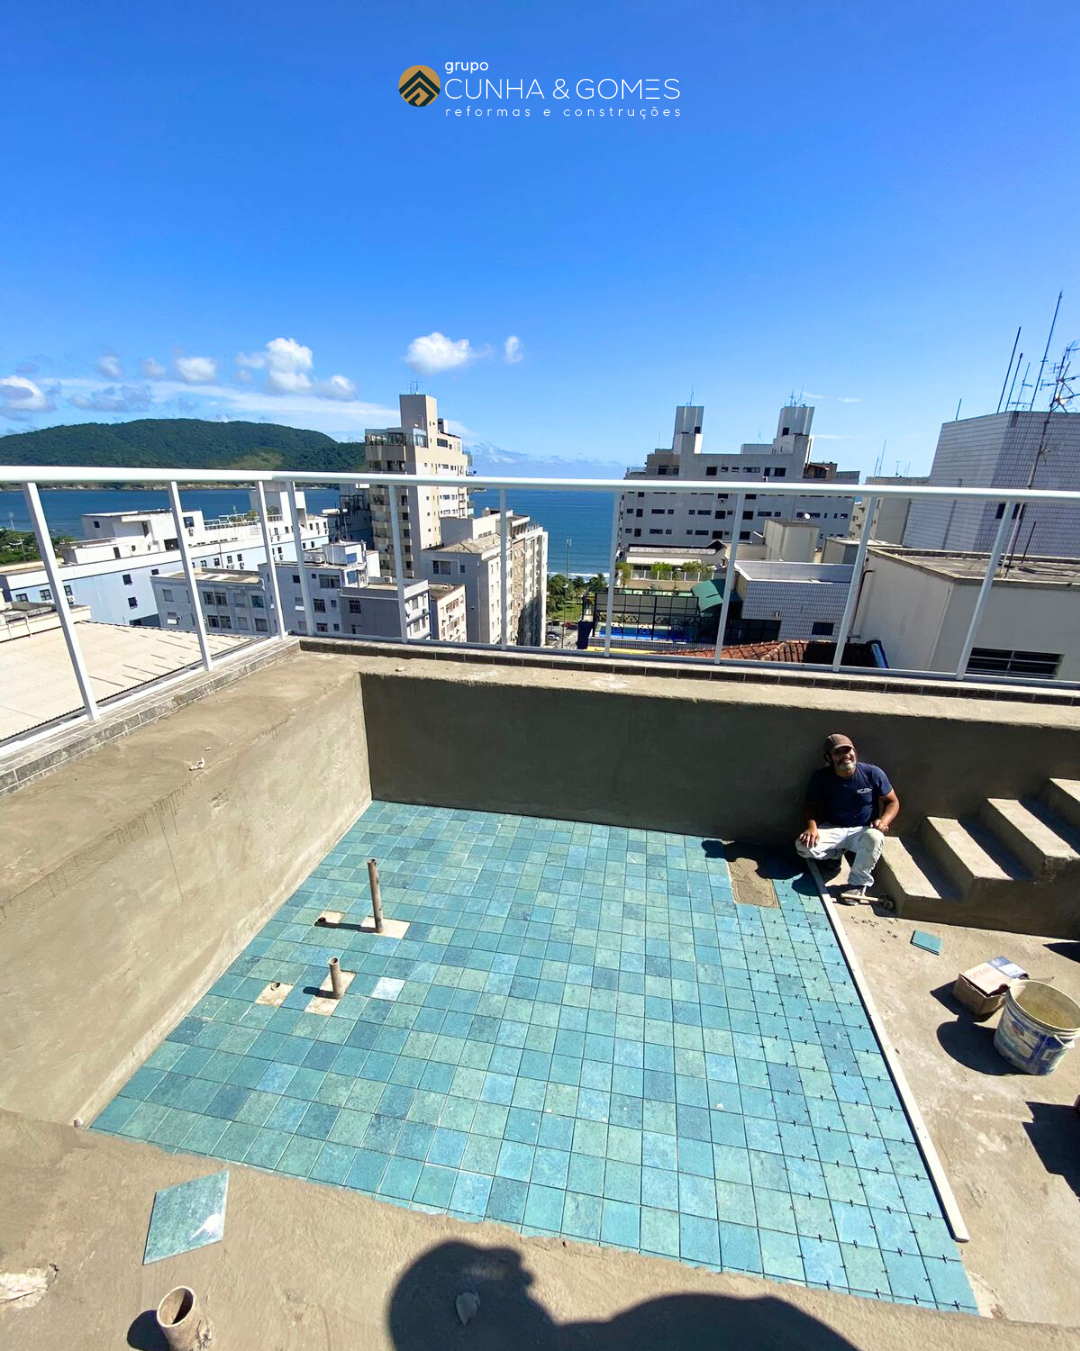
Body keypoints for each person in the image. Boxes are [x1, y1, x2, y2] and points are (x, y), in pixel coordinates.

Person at [795, 732, 899, 902]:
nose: (845, 756)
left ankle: (858, 884)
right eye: (838, 752)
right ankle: (835, 856)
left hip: (863, 830)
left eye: (847, 750)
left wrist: (884, 821)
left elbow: (892, 801)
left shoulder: (872, 773)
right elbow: (809, 806)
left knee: (875, 837)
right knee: (802, 846)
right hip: (833, 827)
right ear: (829, 758)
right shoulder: (821, 777)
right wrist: (812, 827)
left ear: (855, 752)